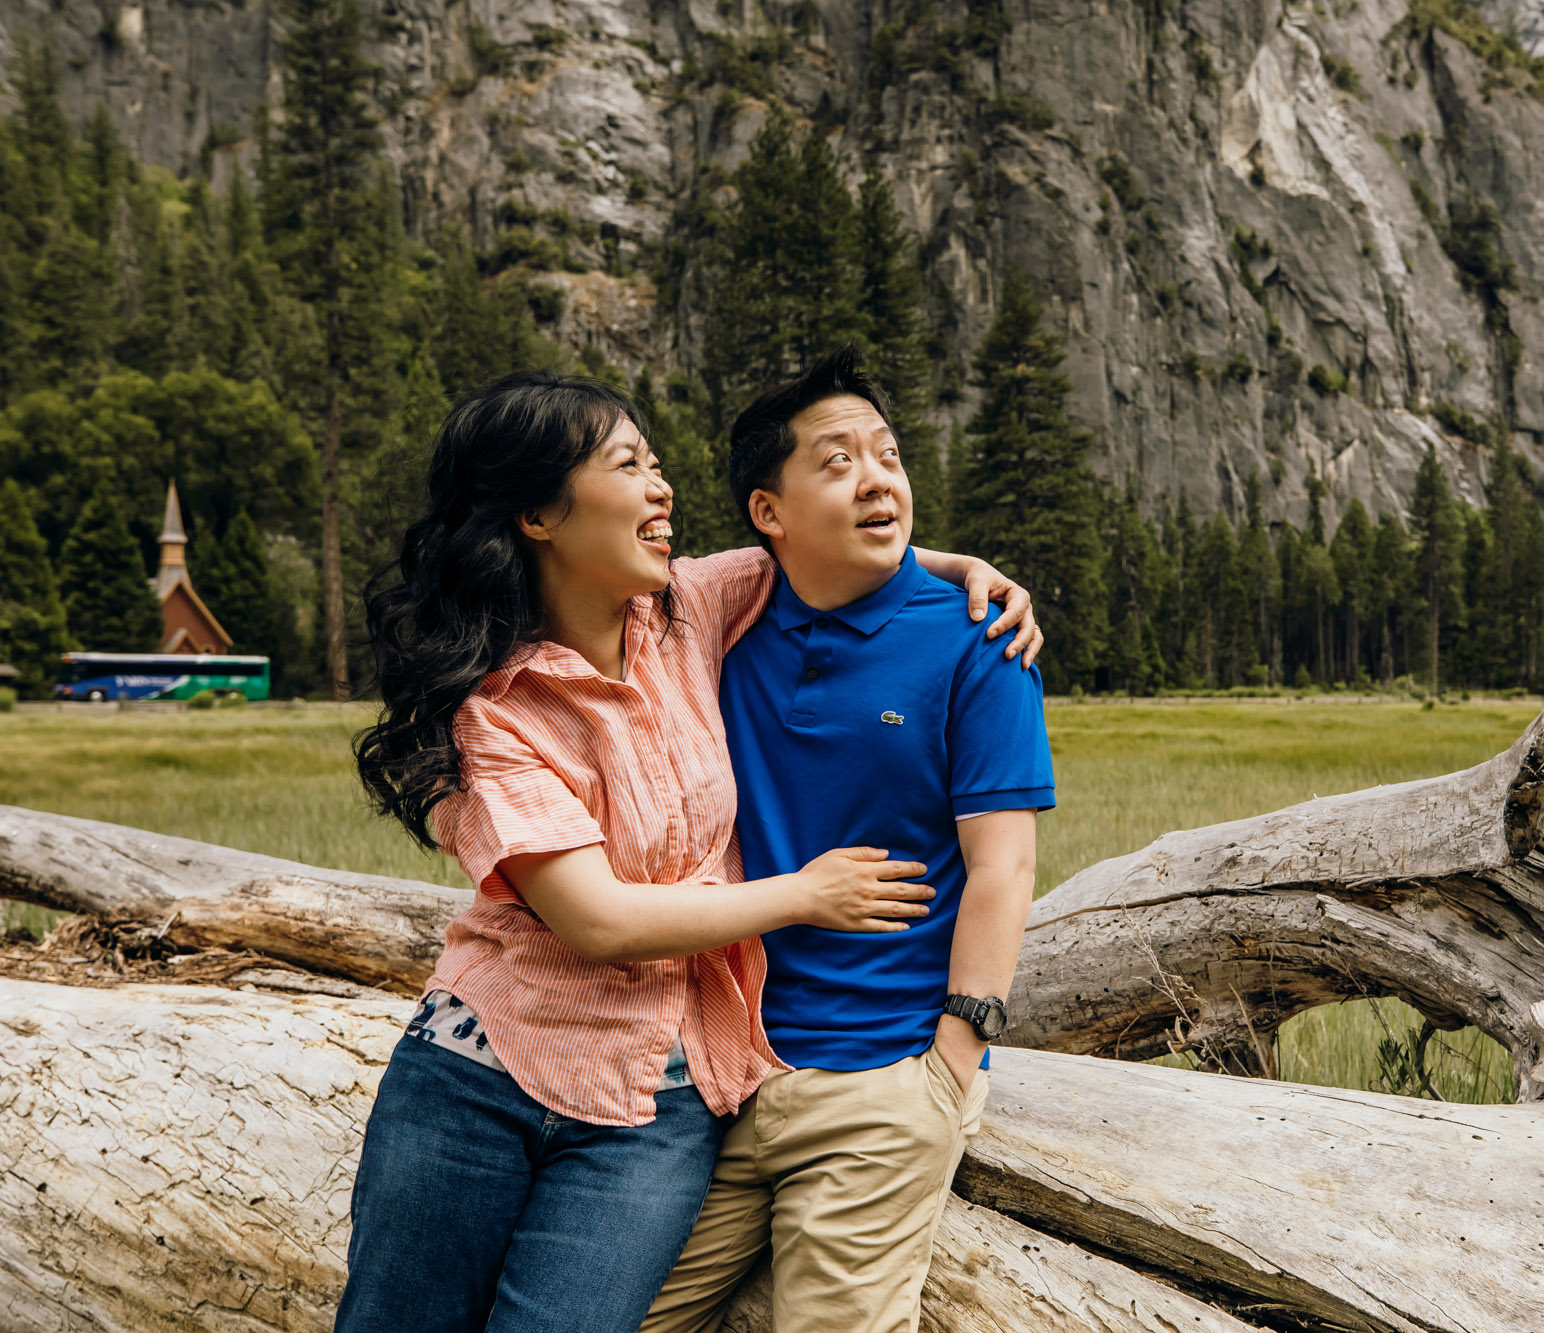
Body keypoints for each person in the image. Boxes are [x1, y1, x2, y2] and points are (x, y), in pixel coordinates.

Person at [340, 369, 1041, 1333]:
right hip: (481, 1075)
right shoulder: (498, 712)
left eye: (659, 463)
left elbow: (830, 546)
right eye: (630, 465)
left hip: (661, 1100)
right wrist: (803, 894)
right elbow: (597, 917)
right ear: (541, 514)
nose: (662, 489)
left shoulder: (688, 608)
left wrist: (973, 573)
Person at [643, 348, 1052, 1333]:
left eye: (889, 455)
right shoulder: (718, 632)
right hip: (725, 1083)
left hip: (880, 1082)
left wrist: (950, 1063)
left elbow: (1003, 866)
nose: (878, 479)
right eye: (836, 462)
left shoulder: (976, 641)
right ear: (766, 513)